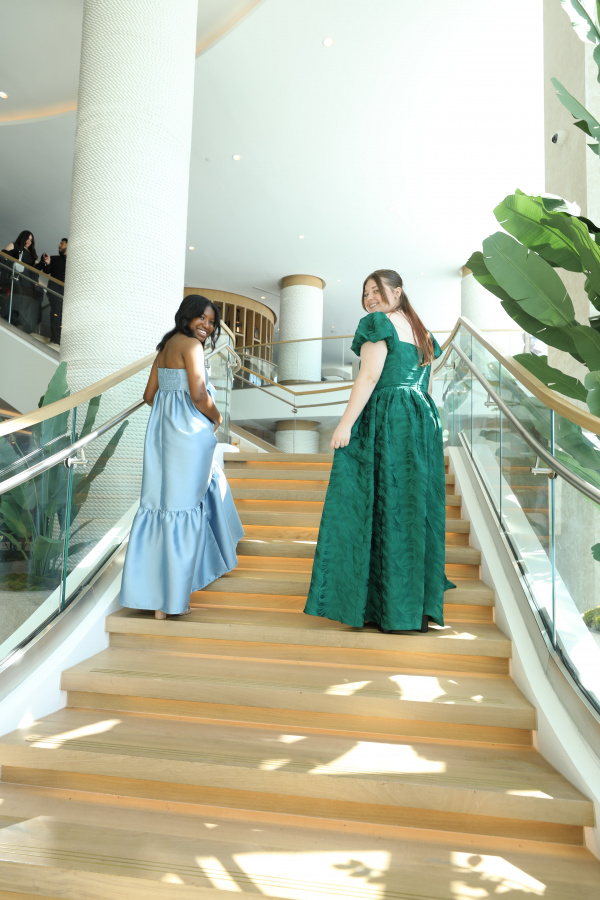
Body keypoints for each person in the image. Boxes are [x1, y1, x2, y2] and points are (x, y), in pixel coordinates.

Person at [304, 269, 455, 633]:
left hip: (389, 415)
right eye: (366, 292)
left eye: (376, 290)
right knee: (411, 507)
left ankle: (379, 604)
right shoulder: (422, 331)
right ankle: (411, 608)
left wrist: (345, 424)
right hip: (421, 418)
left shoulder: (377, 324)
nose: (369, 298)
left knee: (378, 502)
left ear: (398, 291)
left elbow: (369, 376)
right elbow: (427, 383)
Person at [119, 295, 244, 618]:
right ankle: (174, 602)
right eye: (202, 318)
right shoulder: (192, 347)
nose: (207, 326)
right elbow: (199, 394)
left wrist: (170, 405)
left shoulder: (165, 348)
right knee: (186, 508)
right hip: (188, 434)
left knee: (162, 508)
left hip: (162, 436)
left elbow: (149, 396)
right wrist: (216, 417)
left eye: (212, 322)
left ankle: (156, 600)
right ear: (187, 315)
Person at [1, 231, 42, 332]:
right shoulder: (14, 246)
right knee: (17, 297)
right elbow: (3, 256)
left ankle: (18, 322)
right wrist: (15, 253)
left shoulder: (32, 254)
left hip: (26, 283)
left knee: (24, 301)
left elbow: (36, 269)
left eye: (31, 240)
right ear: (23, 237)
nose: (29, 241)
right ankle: (11, 318)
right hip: (16, 279)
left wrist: (44, 263)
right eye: (27, 238)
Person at [40, 238, 67, 345]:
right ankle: (56, 339)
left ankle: (58, 339)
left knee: (61, 314)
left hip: (66, 293)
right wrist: (47, 263)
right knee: (56, 313)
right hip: (55, 290)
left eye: (62, 243)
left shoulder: (73, 262)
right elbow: (46, 271)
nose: (59, 245)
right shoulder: (54, 259)